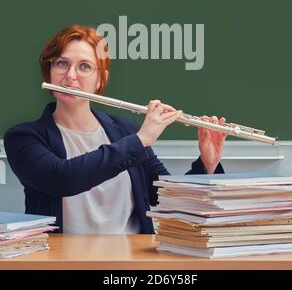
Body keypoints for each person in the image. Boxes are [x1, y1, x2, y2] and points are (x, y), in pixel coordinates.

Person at [4, 25, 227, 234]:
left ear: (101, 79)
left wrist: (207, 164)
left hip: (131, 265)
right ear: (49, 72)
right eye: (61, 63)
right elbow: (63, 179)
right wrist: (140, 140)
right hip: (61, 264)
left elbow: (169, 198)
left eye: (84, 67)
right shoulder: (24, 137)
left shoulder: (125, 131)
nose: (70, 76)